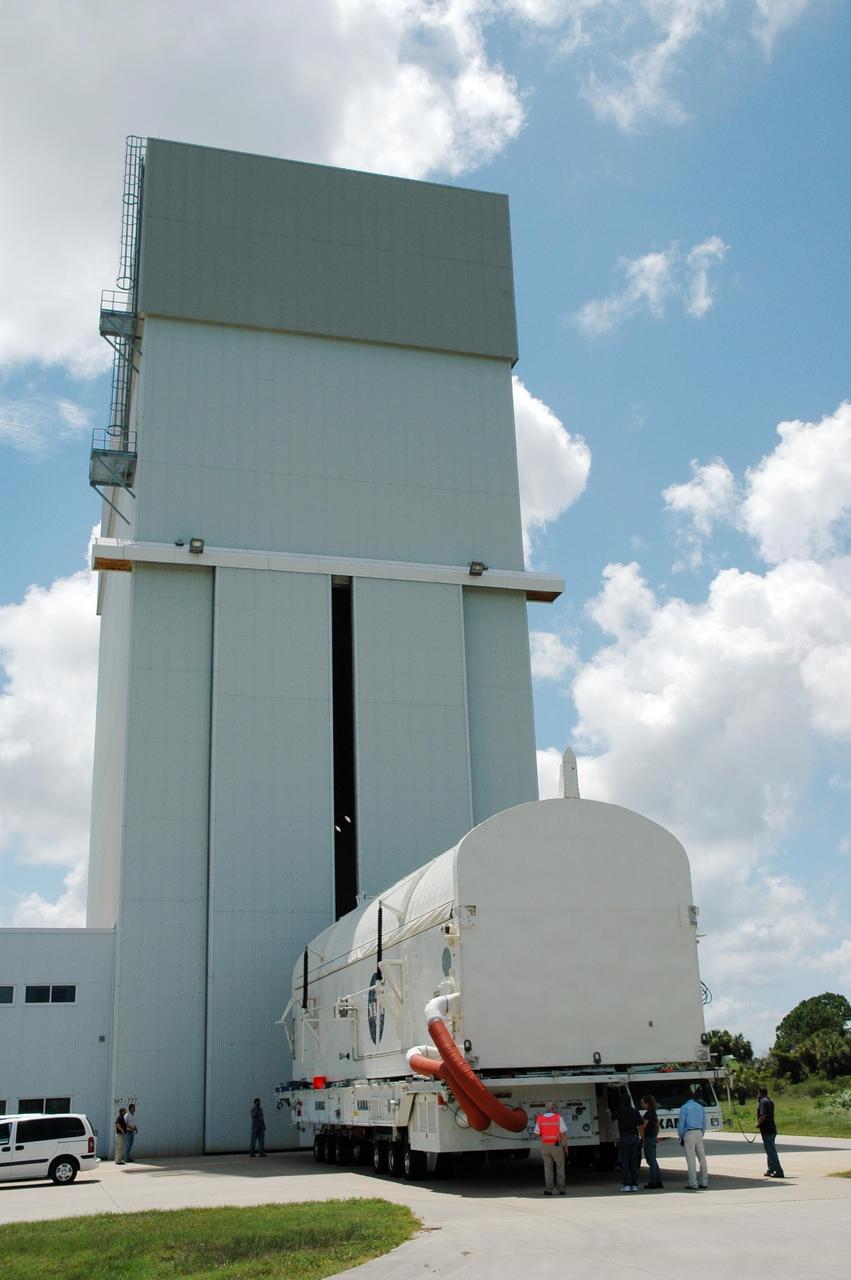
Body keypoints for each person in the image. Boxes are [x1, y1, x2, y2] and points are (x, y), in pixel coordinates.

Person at [533, 1102, 568, 1195]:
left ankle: (549, 1189)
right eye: (555, 1108)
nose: (556, 1109)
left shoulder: (540, 1118)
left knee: (548, 1168)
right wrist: (565, 1147)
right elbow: (563, 1134)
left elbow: (536, 1134)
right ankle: (561, 1189)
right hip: (556, 1145)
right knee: (560, 1166)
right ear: (552, 1109)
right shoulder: (558, 1118)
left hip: (545, 1146)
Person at [677, 1090, 708, 1190]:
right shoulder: (700, 1107)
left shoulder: (684, 1107)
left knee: (691, 1159)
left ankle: (693, 1183)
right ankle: (704, 1182)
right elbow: (704, 1122)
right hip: (699, 1132)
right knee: (702, 1158)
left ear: (685, 1097)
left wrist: (681, 1137)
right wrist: (702, 1133)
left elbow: (681, 1124)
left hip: (689, 1133)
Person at [613, 1089, 643, 1192]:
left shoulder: (620, 1111)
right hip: (634, 1137)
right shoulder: (634, 1111)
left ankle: (627, 1184)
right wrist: (642, 1137)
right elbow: (640, 1123)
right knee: (634, 1161)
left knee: (625, 1161)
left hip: (624, 1137)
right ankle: (634, 1184)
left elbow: (612, 1117)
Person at [756, 1087, 785, 1178]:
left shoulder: (763, 1102)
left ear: (760, 1093)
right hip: (771, 1130)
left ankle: (779, 1171)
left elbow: (763, 1115)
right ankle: (771, 1169)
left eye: (758, 1093)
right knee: (770, 1151)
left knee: (771, 1152)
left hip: (767, 1131)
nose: (757, 1096)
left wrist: (758, 1124)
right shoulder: (769, 1101)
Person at [639, 1095, 663, 1188]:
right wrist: (655, 1135)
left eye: (642, 1102)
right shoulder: (653, 1113)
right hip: (652, 1137)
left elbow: (642, 1126)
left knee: (650, 1160)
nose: (641, 1104)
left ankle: (653, 1182)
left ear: (647, 1103)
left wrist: (642, 1137)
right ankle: (658, 1180)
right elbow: (657, 1125)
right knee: (653, 1159)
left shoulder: (648, 1114)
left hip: (648, 1138)